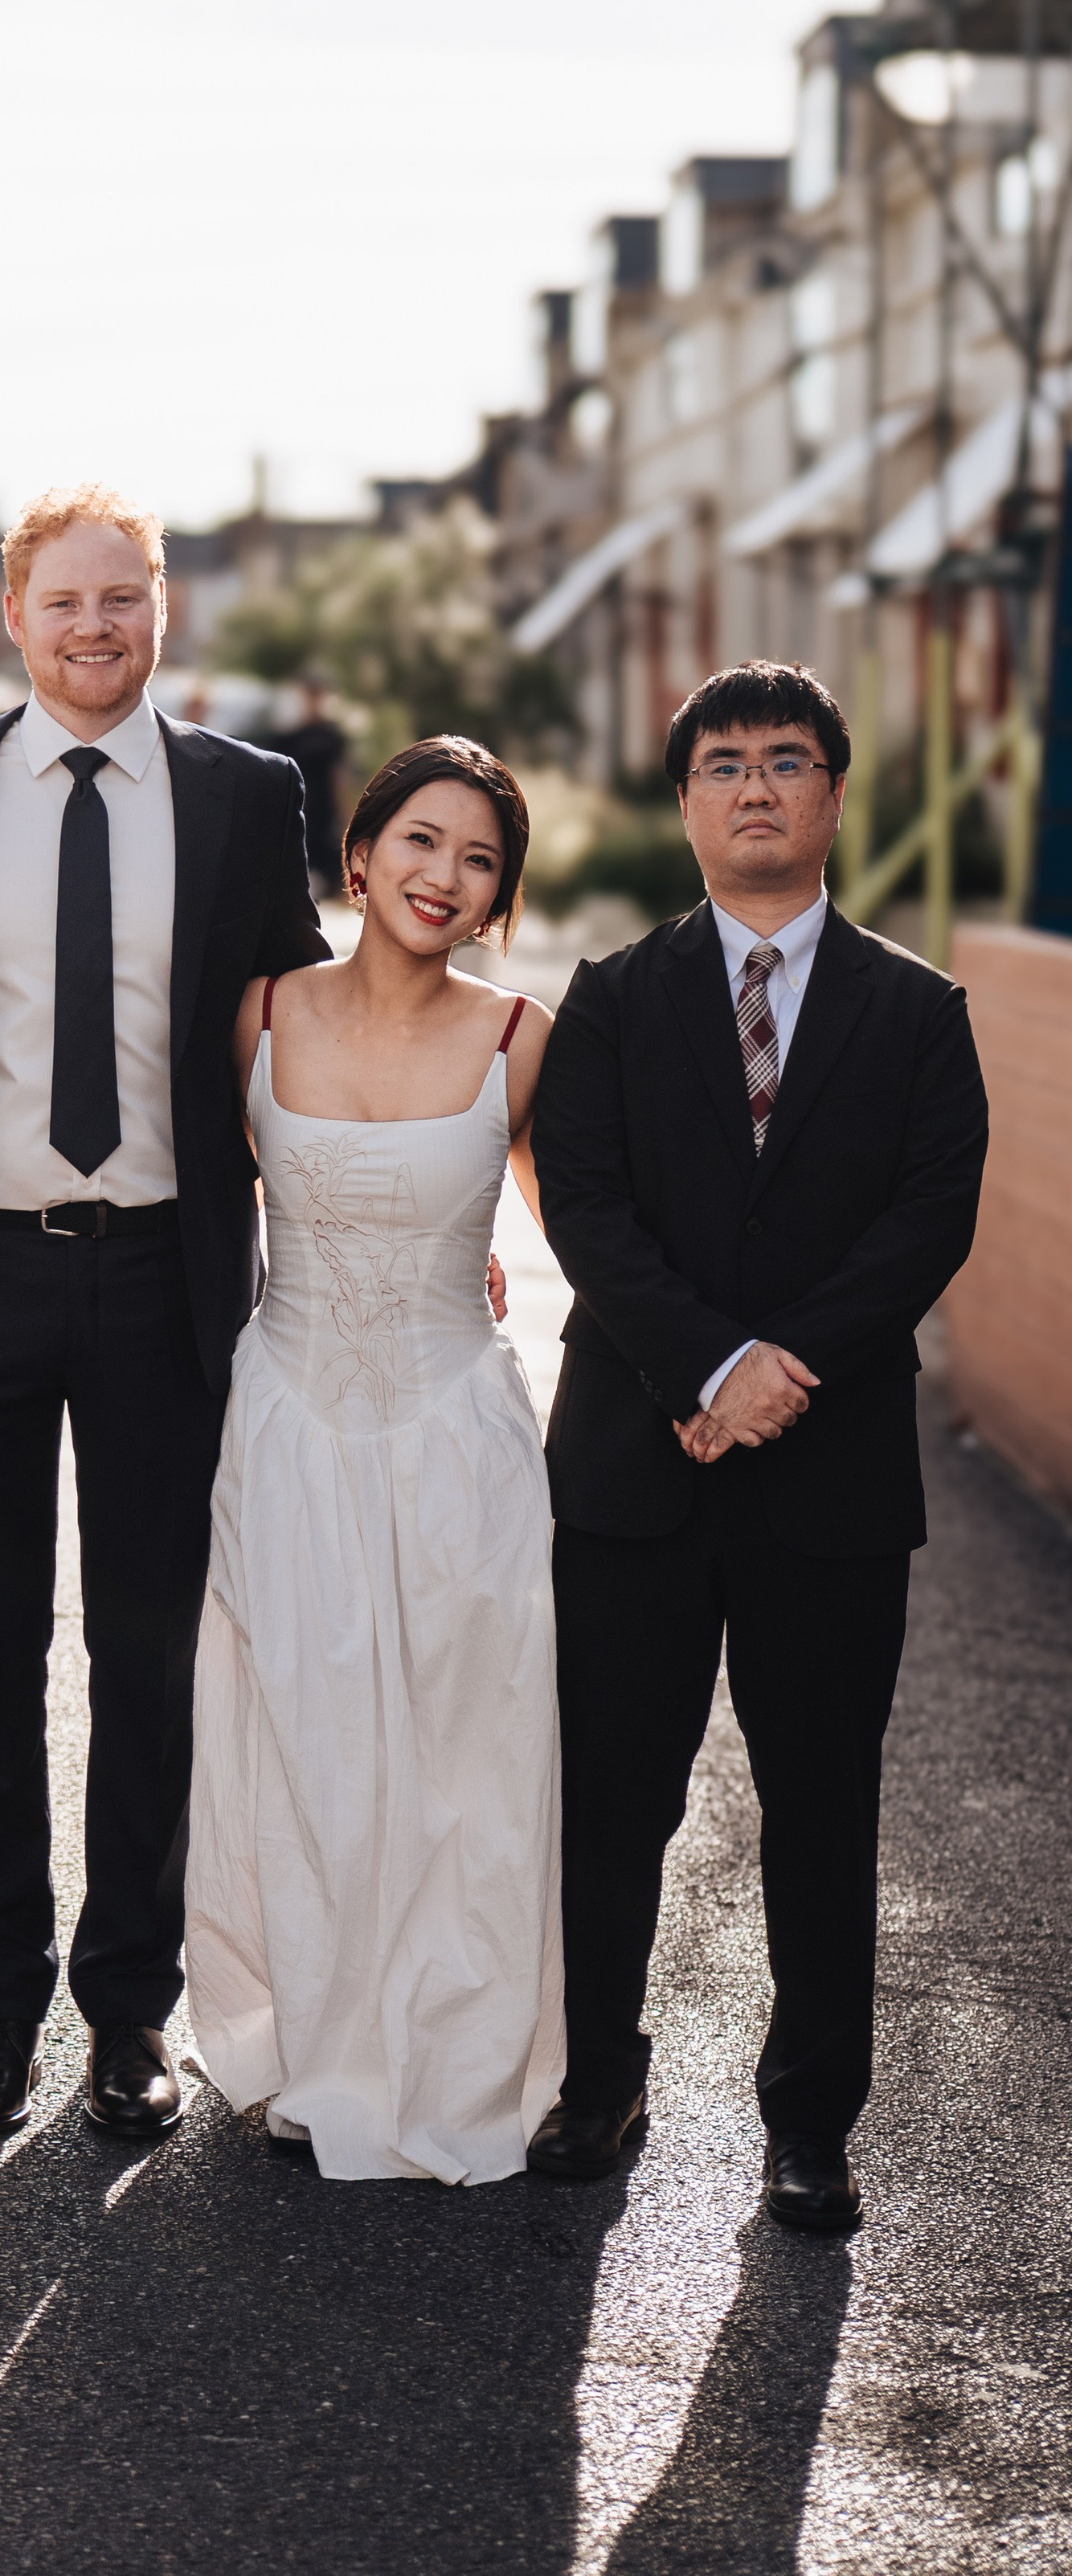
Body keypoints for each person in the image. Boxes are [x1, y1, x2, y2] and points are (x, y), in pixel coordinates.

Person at [0, 482, 328, 2141]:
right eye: (62, 602)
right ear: (10, 616)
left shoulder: (242, 797)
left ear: (163, 612)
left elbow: (293, 1024)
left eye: (121, 600)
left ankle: (124, 2010)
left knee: (148, 1658)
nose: (93, 629)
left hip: (159, 1276)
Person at [528, 660, 988, 2235]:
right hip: (630, 1469)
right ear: (684, 803)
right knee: (610, 1798)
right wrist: (705, 1363)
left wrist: (779, 1371)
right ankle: (596, 2082)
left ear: (830, 796)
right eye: (720, 763)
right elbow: (582, 1208)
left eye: (783, 760)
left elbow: (926, 1217)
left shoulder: (916, 1012)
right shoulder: (607, 997)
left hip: (828, 1477)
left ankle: (807, 2124)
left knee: (817, 1807)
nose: (751, 786)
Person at [185, 737, 564, 2181]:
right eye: (421, 841)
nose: (443, 876)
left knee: (467, 1753)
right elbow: (204, 1198)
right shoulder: (260, 1015)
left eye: (477, 860)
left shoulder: (524, 1036)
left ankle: (459, 2057)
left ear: (497, 899)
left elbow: (578, 1229)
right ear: (361, 856)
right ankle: (311, 2039)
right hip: (285, 1419)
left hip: (454, 1432)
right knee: (303, 1740)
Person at [272, 674, 349, 898]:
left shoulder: (331, 736)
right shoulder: (288, 736)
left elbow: (338, 776)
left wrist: (343, 814)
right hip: (297, 805)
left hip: (323, 809)